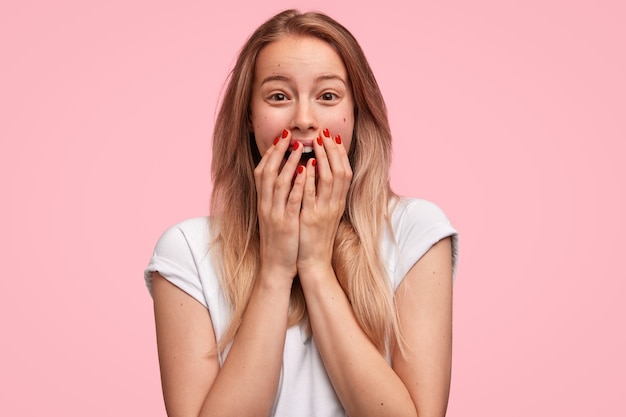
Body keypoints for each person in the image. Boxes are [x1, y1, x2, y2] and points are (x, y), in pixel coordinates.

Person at [144, 9, 458, 417]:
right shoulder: (186, 251)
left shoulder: (416, 232)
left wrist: (314, 264)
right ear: (248, 121)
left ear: (358, 116)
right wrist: (276, 269)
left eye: (328, 96)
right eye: (278, 96)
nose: (304, 120)